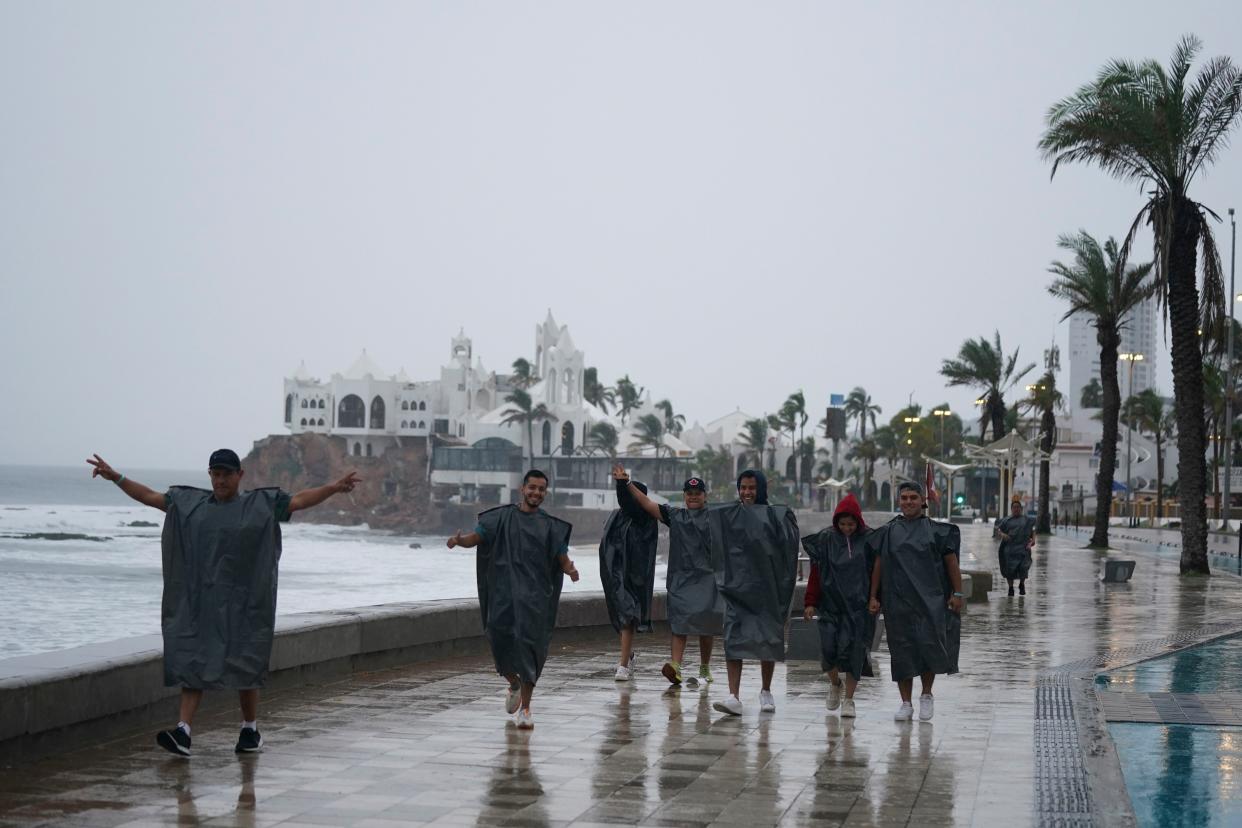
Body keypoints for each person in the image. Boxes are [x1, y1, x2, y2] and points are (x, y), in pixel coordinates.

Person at [87, 450, 359, 757]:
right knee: (193, 658)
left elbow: (299, 500)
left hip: (246, 601)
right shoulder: (191, 506)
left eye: (226, 474)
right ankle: (183, 732)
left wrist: (334, 488)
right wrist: (117, 477)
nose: (220, 480)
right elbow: (149, 496)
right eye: (215, 474)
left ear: (239, 476)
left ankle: (249, 729)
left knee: (245, 661)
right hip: (202, 601)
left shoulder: (259, 505)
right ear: (209, 475)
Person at [447, 470, 579, 729]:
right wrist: (460, 541)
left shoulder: (550, 526)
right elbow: (478, 537)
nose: (536, 493)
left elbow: (561, 558)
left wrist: (570, 569)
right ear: (522, 489)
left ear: (545, 492)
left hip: (535, 599)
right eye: (532, 488)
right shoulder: (502, 518)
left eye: (541, 489)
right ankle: (513, 683)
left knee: (530, 649)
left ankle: (526, 709)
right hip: (503, 594)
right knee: (497, 637)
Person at [611, 463, 720, 687]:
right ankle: (676, 666)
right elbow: (647, 504)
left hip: (708, 579)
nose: (693, 497)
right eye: (689, 494)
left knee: (705, 626)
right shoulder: (674, 515)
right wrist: (626, 483)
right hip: (680, 580)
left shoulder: (716, 517)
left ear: (704, 496)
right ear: (684, 496)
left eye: (697, 493)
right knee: (679, 624)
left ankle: (705, 667)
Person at [867, 480, 963, 723]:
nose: (908, 502)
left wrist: (958, 593)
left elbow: (951, 562)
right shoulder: (889, 532)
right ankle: (906, 703)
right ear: (899, 501)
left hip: (930, 600)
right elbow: (878, 563)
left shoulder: (936, 531)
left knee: (929, 647)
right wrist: (873, 595)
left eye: (913, 497)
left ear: (923, 501)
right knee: (901, 651)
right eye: (904, 498)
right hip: (897, 601)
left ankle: (927, 695)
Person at [712, 470, 800, 717]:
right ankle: (734, 695)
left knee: (767, 639)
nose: (747, 492)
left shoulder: (776, 515)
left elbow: (789, 547)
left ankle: (766, 690)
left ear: (760, 489)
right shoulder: (730, 514)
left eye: (752, 487)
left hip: (766, 589)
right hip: (736, 588)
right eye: (743, 487)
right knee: (733, 638)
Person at [801, 493, 875, 718]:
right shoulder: (825, 539)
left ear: (858, 522)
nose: (847, 528)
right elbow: (815, 573)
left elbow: (878, 572)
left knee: (855, 652)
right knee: (828, 650)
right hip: (831, 606)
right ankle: (835, 684)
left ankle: (850, 700)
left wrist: (875, 598)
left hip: (858, 608)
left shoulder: (870, 540)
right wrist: (810, 602)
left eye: (851, 524)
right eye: (842, 524)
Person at [598, 475, 659, 681]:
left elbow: (627, 501)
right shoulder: (617, 516)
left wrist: (622, 484)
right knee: (622, 618)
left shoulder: (644, 518)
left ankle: (623, 665)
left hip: (635, 576)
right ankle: (629, 655)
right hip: (615, 575)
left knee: (628, 617)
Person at [996, 497, 1036, 596]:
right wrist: (1002, 535)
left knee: (1023, 568)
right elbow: (998, 530)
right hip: (1010, 549)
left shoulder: (1026, 520)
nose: (1016, 509)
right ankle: (1010, 588)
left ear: (1021, 509)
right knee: (1010, 570)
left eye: (1018, 507)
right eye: (1014, 507)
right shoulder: (1006, 520)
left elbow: (1033, 530)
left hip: (1023, 549)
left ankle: (1022, 584)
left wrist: (1032, 541)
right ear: (1011, 509)